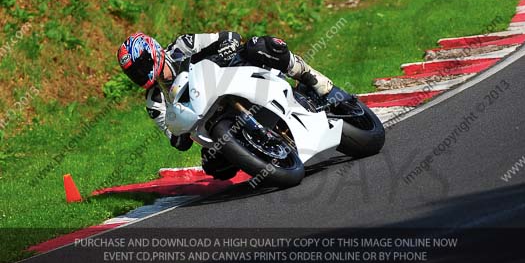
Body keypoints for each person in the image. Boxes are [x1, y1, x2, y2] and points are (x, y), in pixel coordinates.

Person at [117, 30, 352, 179]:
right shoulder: (155, 102)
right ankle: (262, 153)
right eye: (134, 73)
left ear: (154, 51)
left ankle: (315, 80)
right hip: (210, 120)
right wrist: (181, 133)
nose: (140, 74)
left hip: (232, 77)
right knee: (215, 167)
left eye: (142, 65)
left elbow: (228, 37)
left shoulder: (182, 45)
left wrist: (225, 48)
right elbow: (175, 140)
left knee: (261, 46)